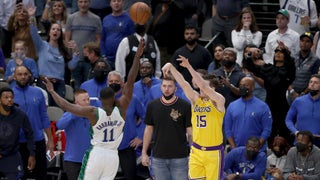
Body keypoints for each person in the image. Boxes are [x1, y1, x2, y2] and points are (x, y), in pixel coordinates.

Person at [44, 38, 144, 180]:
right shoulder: (122, 106)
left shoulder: (94, 112)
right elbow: (131, 81)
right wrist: (137, 58)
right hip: (112, 156)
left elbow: (66, 105)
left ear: (100, 100)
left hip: (98, 155)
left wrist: (53, 92)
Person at [161, 55, 225, 180]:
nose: (201, 89)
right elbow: (184, 84)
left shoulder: (219, 100)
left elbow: (203, 86)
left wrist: (189, 67)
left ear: (213, 88)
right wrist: (171, 67)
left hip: (213, 152)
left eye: (204, 87)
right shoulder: (196, 99)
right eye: (200, 87)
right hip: (196, 150)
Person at [243, 44, 296, 147]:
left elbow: (287, 69)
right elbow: (250, 66)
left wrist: (286, 51)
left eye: (281, 52)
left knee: (285, 134)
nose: (278, 54)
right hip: (269, 105)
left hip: (282, 106)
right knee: (269, 133)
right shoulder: (268, 68)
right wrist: (250, 54)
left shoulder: (287, 70)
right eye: (276, 51)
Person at [141, 76, 192, 180]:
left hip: (180, 157)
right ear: (160, 87)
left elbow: (190, 132)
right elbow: (148, 130)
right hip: (158, 157)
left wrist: (193, 153)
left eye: (170, 86)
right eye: (164, 86)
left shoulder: (185, 106)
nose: (166, 89)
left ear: (175, 88)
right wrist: (144, 153)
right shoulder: (152, 106)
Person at [27, 5, 79, 106]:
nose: (55, 31)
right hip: (44, 84)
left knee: (58, 112)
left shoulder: (63, 50)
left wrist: (76, 54)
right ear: (49, 32)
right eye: (53, 29)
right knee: (45, 111)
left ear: (61, 33)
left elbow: (71, 66)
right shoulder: (42, 46)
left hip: (59, 85)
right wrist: (31, 17)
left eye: (58, 29)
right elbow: (33, 33)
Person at [12, 65, 53, 180]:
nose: (23, 77)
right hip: (17, 142)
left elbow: (44, 116)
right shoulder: (9, 95)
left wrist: (50, 139)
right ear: (14, 77)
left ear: (30, 75)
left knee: (41, 175)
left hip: (37, 140)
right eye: (20, 74)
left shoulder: (38, 93)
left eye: (25, 74)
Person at [223, 76, 273, 152]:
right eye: (241, 85)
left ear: (253, 87)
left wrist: (257, 147)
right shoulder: (232, 106)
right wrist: (233, 148)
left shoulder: (263, 106)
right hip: (236, 150)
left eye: (245, 85)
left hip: (257, 151)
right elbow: (227, 128)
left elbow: (267, 129)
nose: (242, 87)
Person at [65, 0, 102, 90]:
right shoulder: (71, 18)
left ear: (89, 3)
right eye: (81, 2)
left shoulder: (96, 19)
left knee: (89, 86)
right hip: (75, 59)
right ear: (77, 3)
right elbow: (67, 38)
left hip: (89, 61)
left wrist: (93, 54)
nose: (83, 4)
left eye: (85, 2)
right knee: (76, 86)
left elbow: (99, 39)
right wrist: (70, 56)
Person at [0, 87, 35, 180]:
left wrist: (32, 154)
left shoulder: (20, 114)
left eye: (11, 97)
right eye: (6, 97)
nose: (10, 99)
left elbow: (30, 134)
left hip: (12, 154)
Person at [56, 89, 91, 180]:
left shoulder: (92, 114)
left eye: (88, 99)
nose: (87, 102)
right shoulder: (69, 114)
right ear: (76, 102)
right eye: (84, 100)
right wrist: (75, 112)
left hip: (90, 159)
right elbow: (60, 125)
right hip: (72, 160)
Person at [286, 74, 320, 147]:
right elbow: (288, 120)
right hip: (300, 144)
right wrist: (295, 132)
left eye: (316, 83)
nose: (312, 84)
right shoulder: (299, 101)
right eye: (310, 82)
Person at [100, 0, 134, 70]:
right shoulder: (106, 19)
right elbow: (102, 39)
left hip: (124, 59)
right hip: (108, 59)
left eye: (119, 1)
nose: (116, 3)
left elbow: (133, 39)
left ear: (123, 3)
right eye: (114, 1)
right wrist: (103, 55)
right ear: (110, 3)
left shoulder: (129, 19)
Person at [288, 32, 320, 103]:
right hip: (291, 94)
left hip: (307, 95)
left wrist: (302, 94)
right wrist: (292, 91)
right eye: (302, 40)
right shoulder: (293, 57)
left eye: (307, 41)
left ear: (312, 44)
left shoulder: (315, 60)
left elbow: (314, 79)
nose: (304, 43)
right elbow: (287, 76)